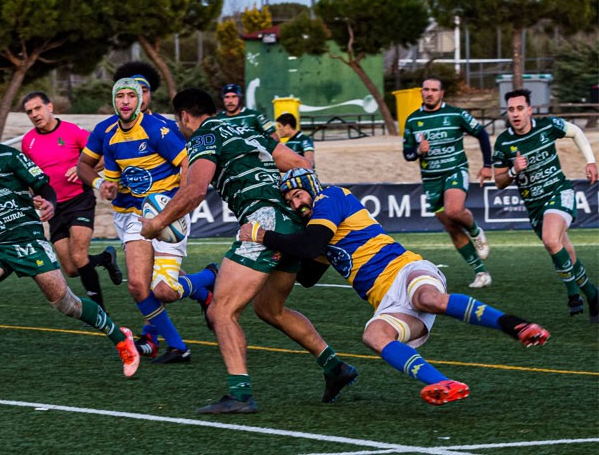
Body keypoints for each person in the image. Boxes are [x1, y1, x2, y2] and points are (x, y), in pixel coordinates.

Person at [239, 168, 551, 406]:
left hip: (405, 270)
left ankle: (516, 325)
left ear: (311, 188)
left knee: (427, 297)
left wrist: (262, 235)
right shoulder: (317, 229)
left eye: (298, 194)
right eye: (290, 200)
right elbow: (307, 276)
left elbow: (308, 246)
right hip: (388, 302)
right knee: (373, 335)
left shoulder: (330, 198)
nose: (296, 203)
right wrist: (275, 255)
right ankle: (444, 383)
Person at [140, 88, 358, 414]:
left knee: (222, 311)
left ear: (184, 116)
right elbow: (299, 164)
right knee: (270, 309)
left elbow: (195, 190)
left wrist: (157, 223)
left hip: (263, 224)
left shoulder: (203, 136)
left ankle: (240, 394)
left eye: (178, 120)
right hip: (292, 225)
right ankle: (335, 368)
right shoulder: (246, 129)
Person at [0, 102, 139, 386]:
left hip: (27, 238)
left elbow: (44, 186)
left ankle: (119, 337)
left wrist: (49, 203)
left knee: (67, 304)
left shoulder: (9, 156)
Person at [77, 78, 217, 365]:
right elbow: (96, 171)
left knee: (163, 289)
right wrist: (103, 185)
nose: (127, 101)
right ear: (114, 100)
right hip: (131, 216)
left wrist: (177, 202)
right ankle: (177, 346)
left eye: (133, 95)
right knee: (138, 287)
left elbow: (187, 162)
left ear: (141, 100)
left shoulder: (158, 128)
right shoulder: (107, 133)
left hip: (166, 212)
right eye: (121, 96)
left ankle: (210, 276)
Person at [494, 89, 598, 321]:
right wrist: (513, 170)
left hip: (559, 192)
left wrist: (590, 161)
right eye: (511, 109)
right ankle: (593, 294)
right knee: (564, 252)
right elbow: (499, 181)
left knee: (551, 240)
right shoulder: (503, 142)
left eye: (520, 108)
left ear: (529, 110)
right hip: (535, 206)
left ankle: (573, 295)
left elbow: (576, 132)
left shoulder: (547, 126)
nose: (516, 114)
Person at [21, 90, 123, 311]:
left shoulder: (73, 132)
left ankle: (99, 312)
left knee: (78, 255)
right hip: (54, 207)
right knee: (71, 268)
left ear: (50, 107)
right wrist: (34, 196)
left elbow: (104, 156)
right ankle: (105, 258)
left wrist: (82, 168)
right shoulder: (28, 141)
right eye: (29, 112)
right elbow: (29, 177)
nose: (34, 114)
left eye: (38, 108)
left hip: (80, 200)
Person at [402, 76, 493, 289]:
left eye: (434, 89)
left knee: (454, 210)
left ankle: (476, 231)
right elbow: (407, 153)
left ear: (442, 93)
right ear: (422, 92)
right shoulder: (413, 120)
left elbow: (481, 134)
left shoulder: (455, 114)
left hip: (455, 170)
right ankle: (481, 273)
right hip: (431, 180)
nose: (429, 93)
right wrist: (417, 151)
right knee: (451, 227)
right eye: (426, 89)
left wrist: (487, 164)